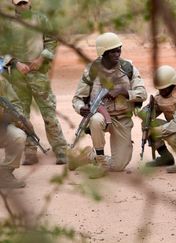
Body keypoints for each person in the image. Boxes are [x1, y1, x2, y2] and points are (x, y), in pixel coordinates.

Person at [72, 32, 146, 175]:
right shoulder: (91, 71)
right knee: (95, 119)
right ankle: (100, 161)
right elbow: (77, 98)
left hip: (122, 118)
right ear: (103, 53)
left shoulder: (128, 68)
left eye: (119, 50)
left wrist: (123, 91)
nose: (117, 54)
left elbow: (143, 94)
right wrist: (81, 108)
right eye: (113, 51)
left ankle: (88, 156)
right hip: (100, 115)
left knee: (119, 166)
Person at [3, 0, 68, 165]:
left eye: (25, 2)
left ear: (30, 2)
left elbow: (52, 41)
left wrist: (41, 59)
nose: (22, 5)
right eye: (19, 3)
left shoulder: (41, 19)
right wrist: (16, 63)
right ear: (13, 3)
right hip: (18, 75)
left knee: (49, 113)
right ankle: (29, 151)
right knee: (21, 115)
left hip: (38, 73)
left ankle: (60, 149)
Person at [0, 77, 29, 188]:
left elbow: (15, 103)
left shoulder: (2, 82)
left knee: (18, 136)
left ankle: (5, 173)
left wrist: (19, 118)